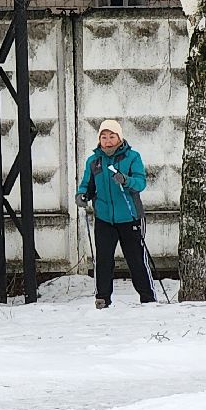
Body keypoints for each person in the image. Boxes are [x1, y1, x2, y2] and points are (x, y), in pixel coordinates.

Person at [76, 119, 156, 308]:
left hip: (130, 217)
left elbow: (140, 182)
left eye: (112, 136)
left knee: (136, 259)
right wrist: (82, 194)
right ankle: (102, 298)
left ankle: (147, 297)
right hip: (104, 218)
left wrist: (125, 180)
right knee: (103, 259)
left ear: (120, 138)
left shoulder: (132, 157)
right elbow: (87, 184)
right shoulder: (94, 161)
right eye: (104, 137)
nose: (108, 141)